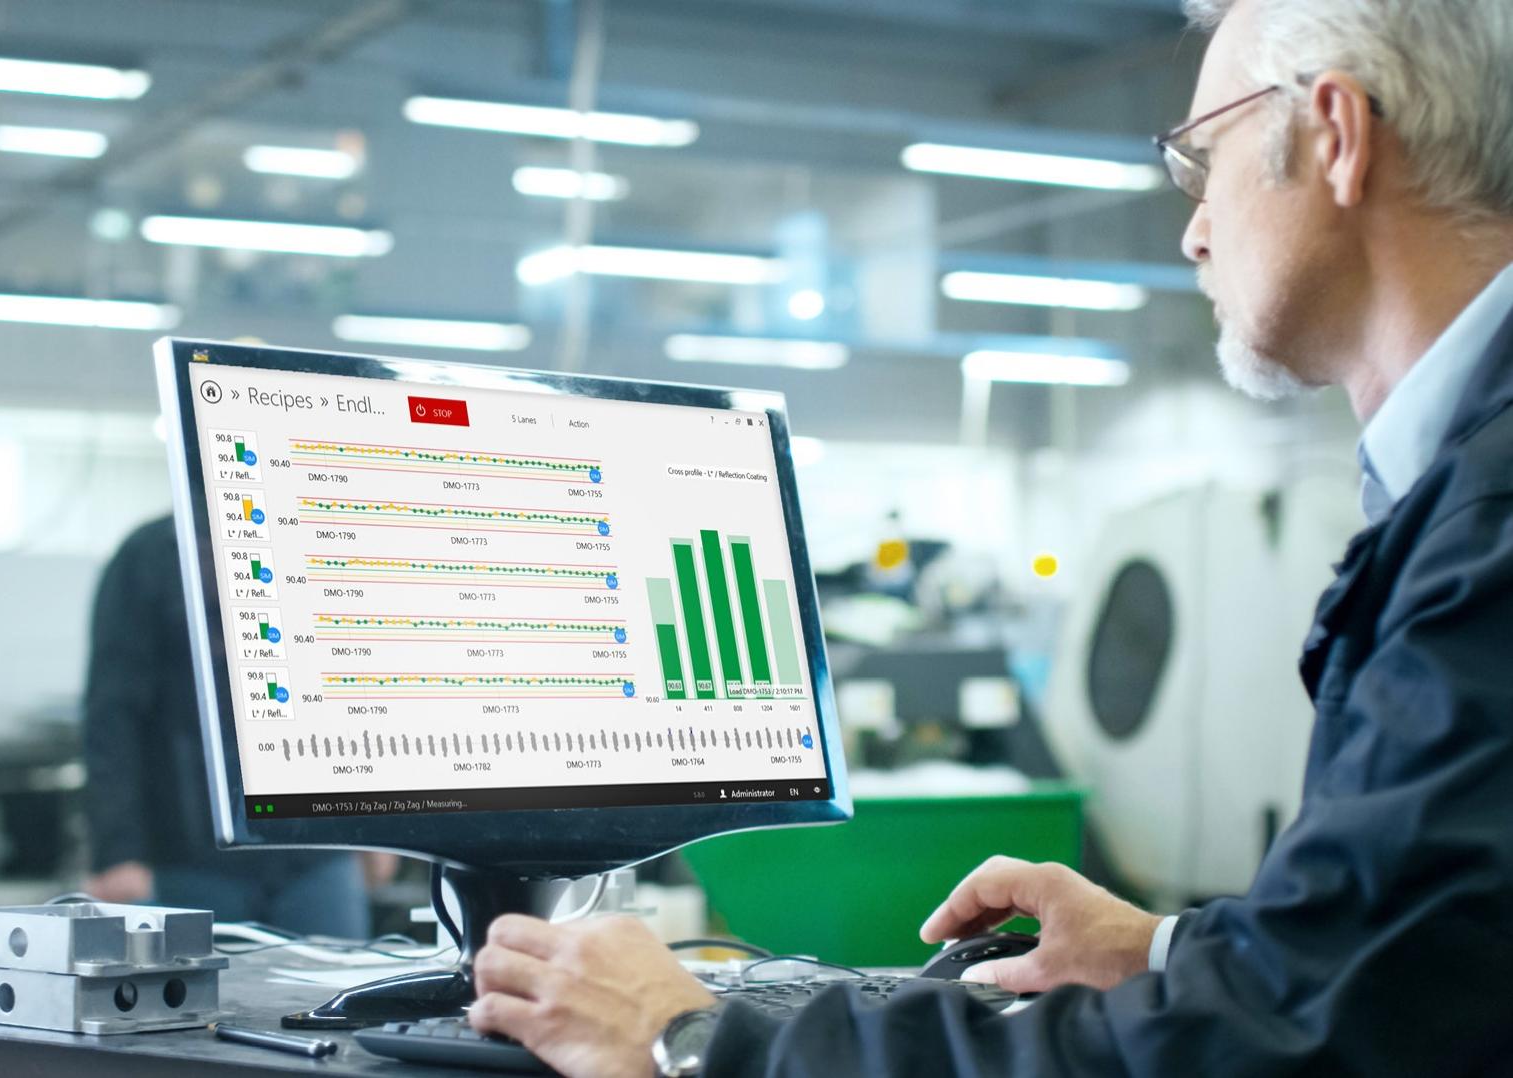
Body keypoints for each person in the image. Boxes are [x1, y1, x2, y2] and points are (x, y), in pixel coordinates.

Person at [467, 0, 1513, 1073]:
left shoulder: (1490, 527)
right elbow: (1417, 971)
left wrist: (691, 1039)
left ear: (1335, 135)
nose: (1192, 228)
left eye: (1205, 159)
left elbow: (1259, 1054)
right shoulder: (1467, 494)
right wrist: (1155, 946)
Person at [81, 515, 378, 934]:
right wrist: (116, 852)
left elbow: (347, 690)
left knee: (336, 992)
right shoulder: (148, 555)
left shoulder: (307, 537)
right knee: (203, 996)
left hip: (315, 854)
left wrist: (369, 829)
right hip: (189, 858)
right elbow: (112, 718)